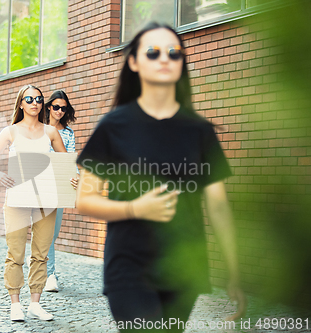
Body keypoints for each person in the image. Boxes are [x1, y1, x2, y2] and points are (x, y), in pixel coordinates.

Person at [75, 23, 246, 332]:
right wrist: (134, 209)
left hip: (184, 267)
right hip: (128, 267)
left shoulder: (200, 131)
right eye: (152, 53)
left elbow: (219, 207)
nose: (164, 59)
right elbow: (84, 200)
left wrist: (235, 270)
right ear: (134, 62)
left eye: (174, 53)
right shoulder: (113, 126)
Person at [0, 85, 69, 322]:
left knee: (41, 253)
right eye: (29, 99)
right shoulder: (10, 131)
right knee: (16, 252)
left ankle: (35, 304)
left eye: (39, 99)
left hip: (46, 199)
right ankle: (15, 304)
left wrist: (73, 176)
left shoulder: (51, 132)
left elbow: (66, 162)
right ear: (21, 103)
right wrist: (0, 176)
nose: (35, 102)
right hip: (17, 199)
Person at [44, 90, 78, 292]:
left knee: (52, 233)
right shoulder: (37, 129)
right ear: (49, 106)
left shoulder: (68, 133)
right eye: (56, 106)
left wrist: (76, 177)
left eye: (63, 108)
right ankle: (49, 275)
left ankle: (45, 270)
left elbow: (69, 160)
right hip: (37, 184)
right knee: (43, 232)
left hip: (58, 186)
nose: (59, 111)